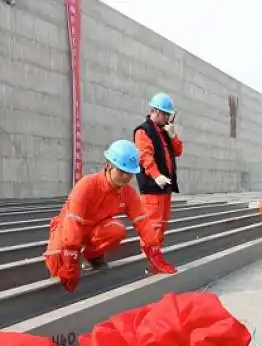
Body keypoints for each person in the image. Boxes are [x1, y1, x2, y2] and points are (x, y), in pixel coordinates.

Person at [43, 140, 177, 292]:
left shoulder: (127, 193)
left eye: (130, 174)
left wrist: (154, 249)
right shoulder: (87, 185)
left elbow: (142, 221)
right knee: (56, 265)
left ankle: (92, 255)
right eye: (121, 171)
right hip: (68, 229)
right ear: (108, 166)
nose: (126, 177)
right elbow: (73, 220)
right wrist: (70, 255)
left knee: (117, 230)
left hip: (94, 230)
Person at [133, 92, 184, 248]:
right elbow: (145, 157)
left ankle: (157, 255)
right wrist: (156, 176)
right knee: (152, 226)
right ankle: (148, 258)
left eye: (169, 115)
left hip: (164, 187)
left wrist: (173, 136)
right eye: (165, 114)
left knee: (161, 225)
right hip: (152, 188)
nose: (168, 118)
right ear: (154, 111)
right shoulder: (143, 131)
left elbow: (178, 151)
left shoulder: (165, 131)